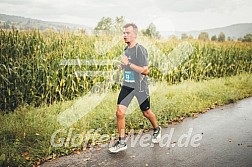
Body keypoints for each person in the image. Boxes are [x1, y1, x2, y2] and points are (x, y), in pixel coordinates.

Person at [109, 23, 161, 153]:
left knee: (146, 113)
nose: (124, 35)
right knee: (119, 113)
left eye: (127, 33)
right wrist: (122, 66)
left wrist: (129, 64)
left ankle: (157, 129)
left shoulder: (140, 50)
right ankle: (122, 142)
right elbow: (128, 64)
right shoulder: (126, 49)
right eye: (124, 33)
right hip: (127, 85)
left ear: (135, 35)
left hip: (140, 87)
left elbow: (145, 71)